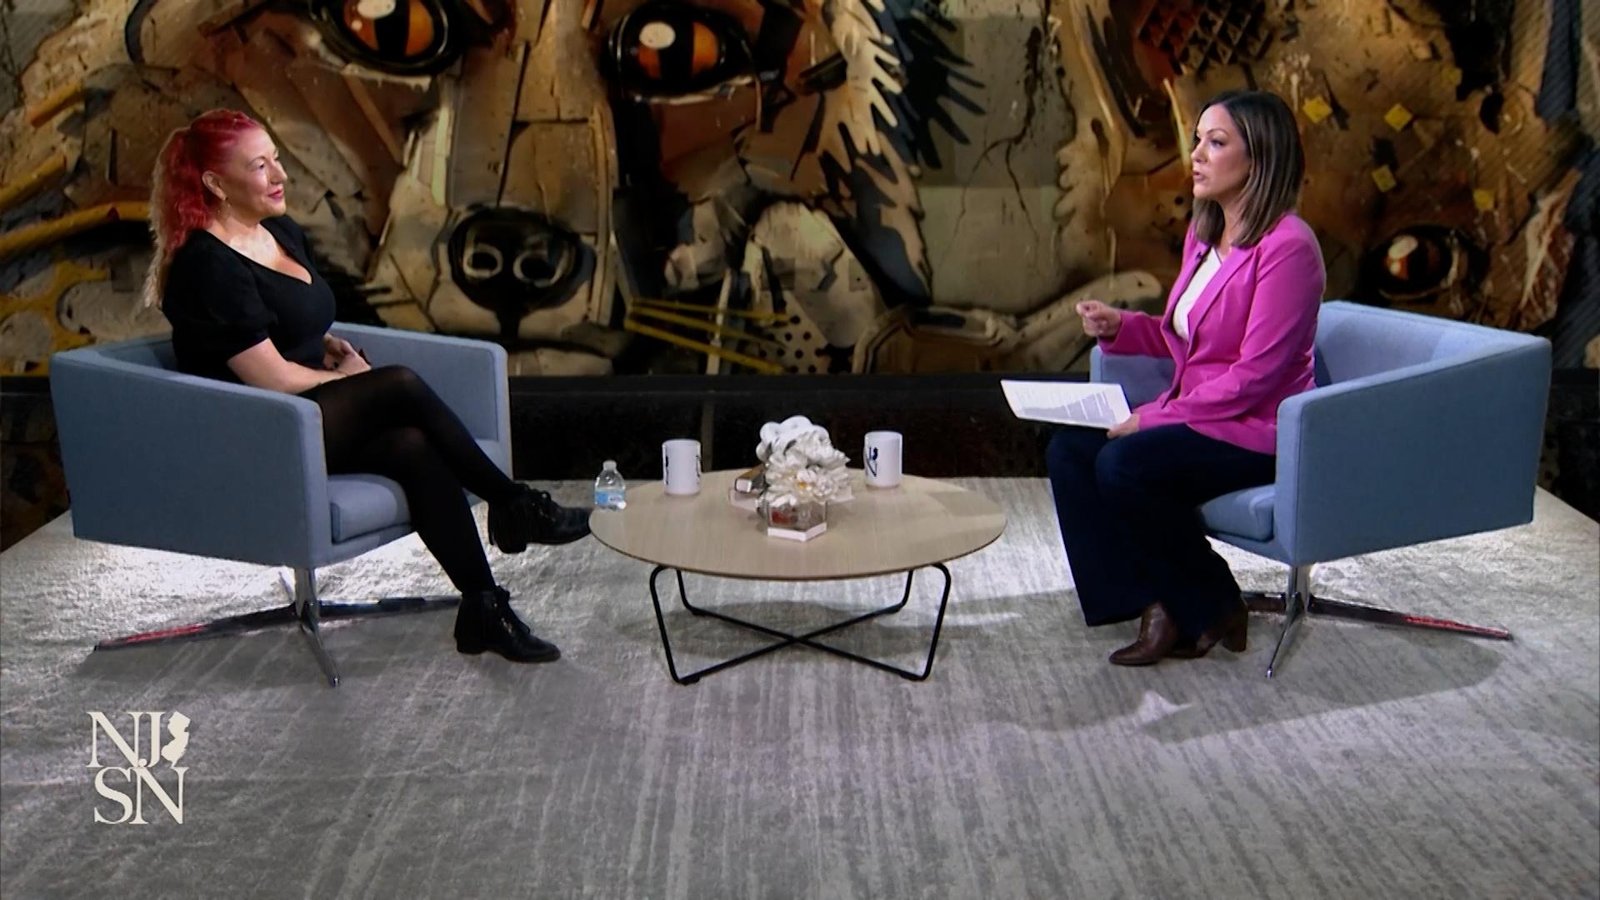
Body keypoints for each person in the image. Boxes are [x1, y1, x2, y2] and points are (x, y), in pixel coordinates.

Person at [144, 109, 590, 664]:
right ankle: (515, 505)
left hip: (308, 416)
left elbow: (295, 319)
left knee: (412, 446)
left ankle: (483, 609)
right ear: (215, 183)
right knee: (398, 384)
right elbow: (271, 377)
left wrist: (329, 343)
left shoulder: (279, 231)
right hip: (253, 431)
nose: (281, 175)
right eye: (260, 166)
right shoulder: (206, 265)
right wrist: (347, 378)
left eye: (277, 159)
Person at [1047, 90, 1325, 666]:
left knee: (1124, 464)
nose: (1195, 155)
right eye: (1198, 140)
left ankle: (1215, 601)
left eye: (1215, 143)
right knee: (1068, 451)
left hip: (1256, 431)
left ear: (1260, 158)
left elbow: (1254, 375)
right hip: (1202, 415)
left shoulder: (1289, 248)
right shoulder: (1203, 234)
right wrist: (1123, 326)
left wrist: (1153, 417)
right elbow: (1189, 337)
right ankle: (1152, 600)